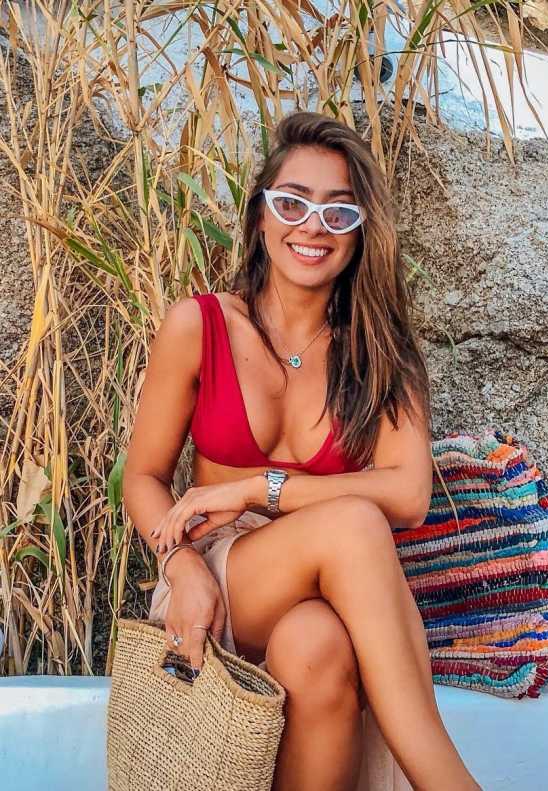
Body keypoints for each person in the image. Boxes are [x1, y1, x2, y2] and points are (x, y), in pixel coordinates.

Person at [122, 110, 483, 791]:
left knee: (316, 645)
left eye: (338, 212)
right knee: (354, 522)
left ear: (360, 231)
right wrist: (179, 563)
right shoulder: (199, 324)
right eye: (292, 203)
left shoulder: (380, 351)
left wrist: (257, 486)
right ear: (261, 215)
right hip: (219, 573)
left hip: (326, 589)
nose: (313, 226)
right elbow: (141, 476)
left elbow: (409, 495)